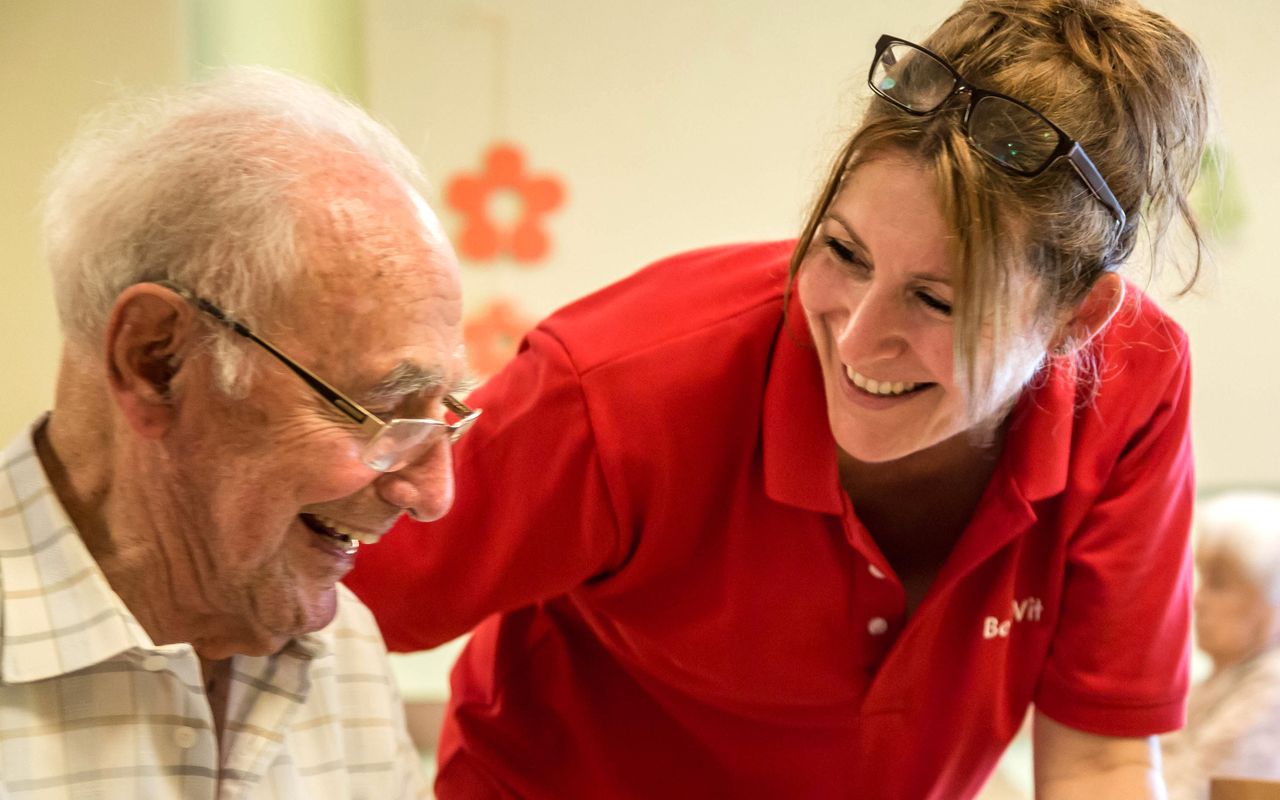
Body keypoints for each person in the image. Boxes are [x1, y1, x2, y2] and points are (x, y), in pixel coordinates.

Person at [346, 0, 1213, 796]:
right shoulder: (621, 388)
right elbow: (320, 589)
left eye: (937, 300)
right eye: (843, 252)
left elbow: (1101, 759)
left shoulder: (1134, 389)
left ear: (1076, 319)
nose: (857, 340)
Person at [0, 66, 475, 797]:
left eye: (444, 410)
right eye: (380, 408)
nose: (435, 494)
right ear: (157, 361)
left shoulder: (342, 648)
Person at [1163, 492, 1280, 799]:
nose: (1197, 600)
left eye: (1219, 585)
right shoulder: (1219, 683)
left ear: (1271, 600)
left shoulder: (1272, 690)